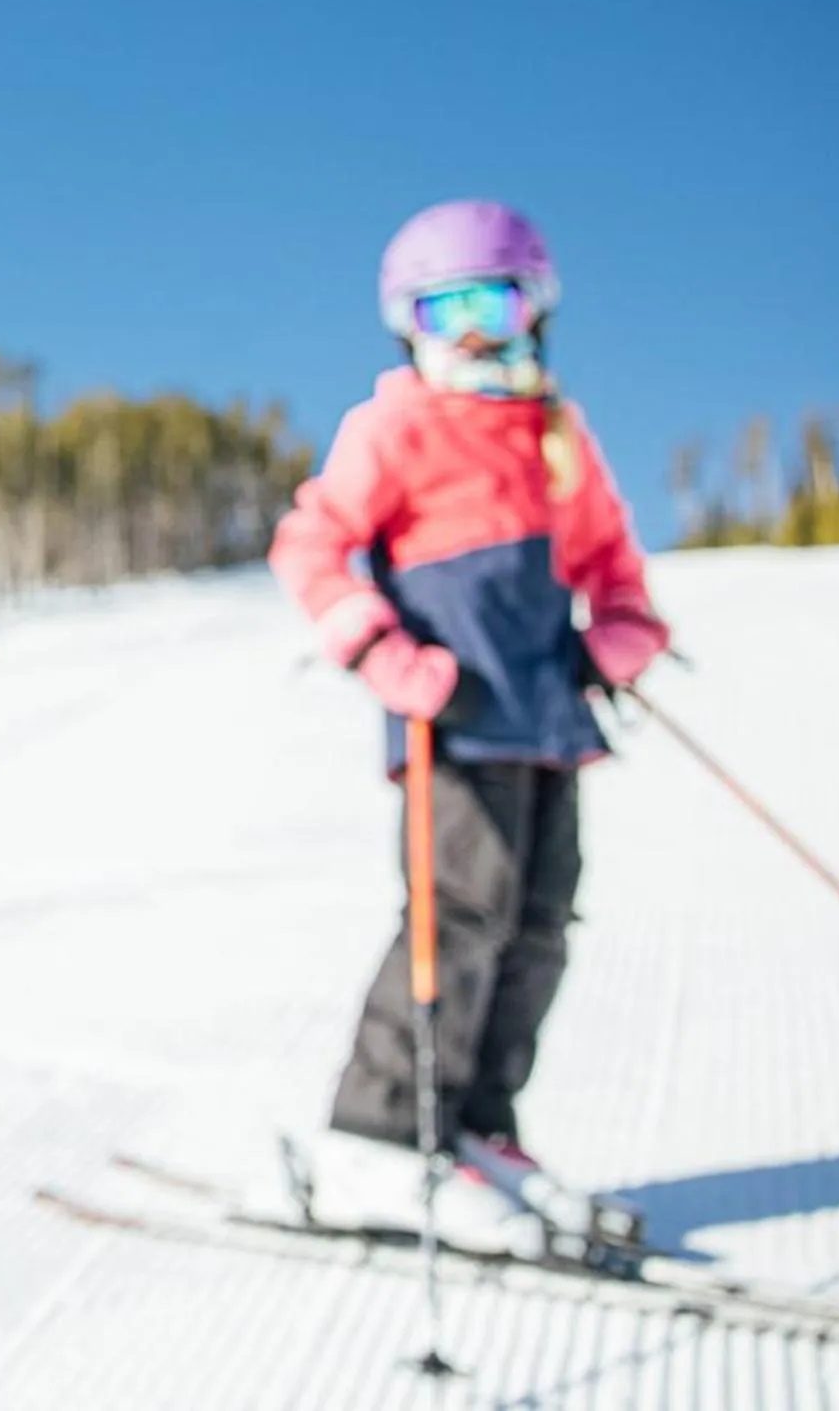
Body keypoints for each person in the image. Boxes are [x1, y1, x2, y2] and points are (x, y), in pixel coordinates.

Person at [267, 199, 671, 1239]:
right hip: (453, 724)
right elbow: (312, 547)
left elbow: (615, 571)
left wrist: (614, 641)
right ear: (409, 323)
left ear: (533, 308)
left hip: (550, 720)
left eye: (492, 300)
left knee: (540, 927)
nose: (475, 332)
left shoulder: (551, 435)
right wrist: (377, 649)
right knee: (461, 920)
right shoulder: (398, 423)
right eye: (446, 310)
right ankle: (378, 1136)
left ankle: (477, 1127)